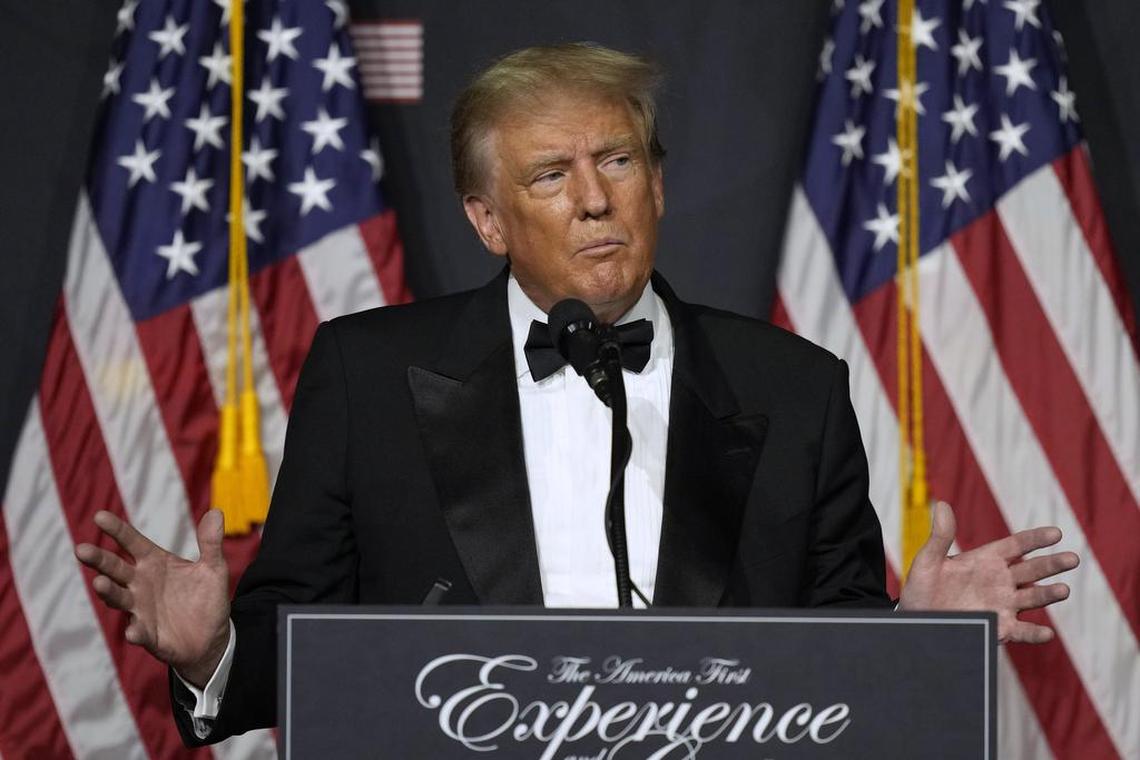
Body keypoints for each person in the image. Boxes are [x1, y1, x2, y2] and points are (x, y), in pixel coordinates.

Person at [74, 43, 1079, 745]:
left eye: (618, 161)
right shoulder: (365, 375)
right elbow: (307, 649)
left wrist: (912, 640)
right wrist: (212, 651)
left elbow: (828, 666)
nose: (595, 199)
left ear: (658, 184)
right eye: (551, 176)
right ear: (487, 220)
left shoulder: (795, 387)